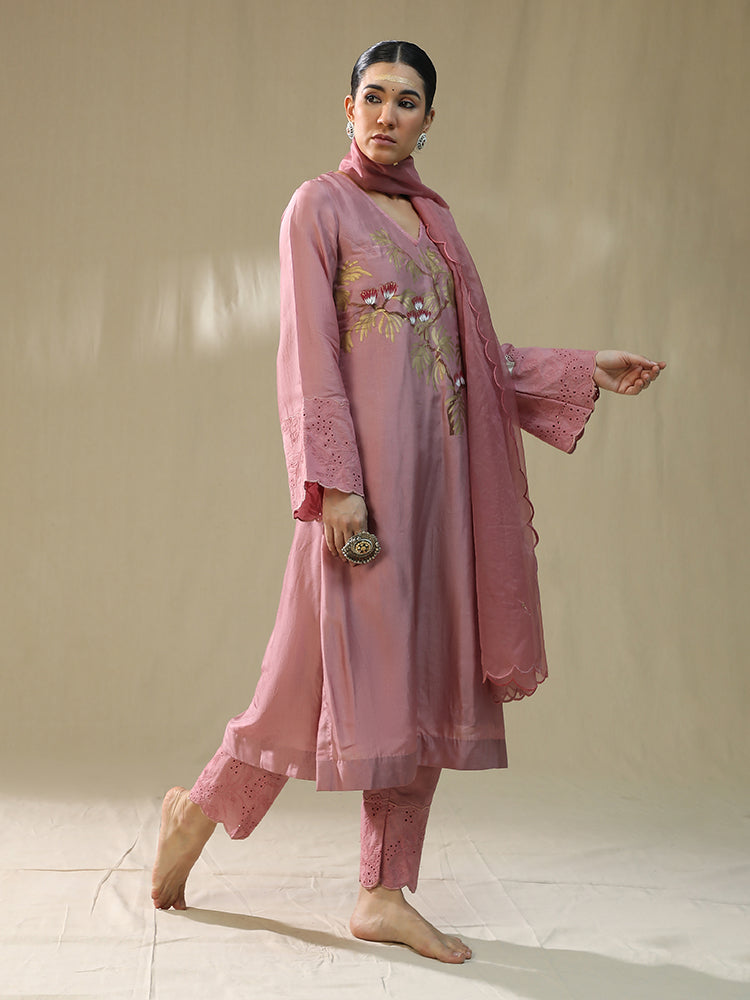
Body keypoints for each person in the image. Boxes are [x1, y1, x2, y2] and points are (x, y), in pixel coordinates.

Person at [151, 40, 664, 964]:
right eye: (375, 97)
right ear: (346, 107)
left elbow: (469, 358)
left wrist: (585, 366)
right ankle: (198, 810)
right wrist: (335, 486)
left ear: (430, 121)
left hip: (443, 495)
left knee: (421, 683)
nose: (388, 115)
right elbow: (308, 355)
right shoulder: (318, 206)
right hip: (363, 496)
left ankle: (381, 892)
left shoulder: (435, 225)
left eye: (408, 101)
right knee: (297, 686)